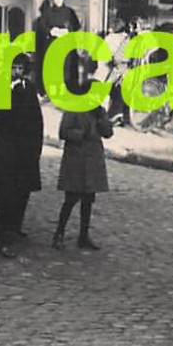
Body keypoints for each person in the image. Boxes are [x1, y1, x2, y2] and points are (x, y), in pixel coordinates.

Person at [0, 52, 43, 259]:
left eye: (19, 69)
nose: (15, 72)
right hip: (2, 151)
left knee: (21, 192)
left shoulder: (29, 89)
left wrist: (35, 150)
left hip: (24, 152)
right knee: (5, 195)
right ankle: (3, 237)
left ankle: (14, 227)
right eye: (12, 67)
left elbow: (36, 121)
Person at [54, 83, 113, 251]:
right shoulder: (74, 108)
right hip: (76, 160)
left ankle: (83, 236)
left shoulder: (99, 111)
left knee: (88, 200)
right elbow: (63, 132)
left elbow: (108, 133)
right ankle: (59, 233)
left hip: (93, 160)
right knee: (70, 199)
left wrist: (102, 120)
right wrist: (80, 134)